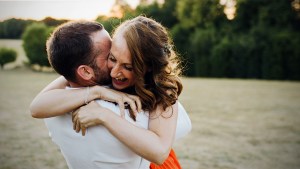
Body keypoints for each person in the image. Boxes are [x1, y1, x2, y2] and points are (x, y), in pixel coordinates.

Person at [30, 16, 191, 169]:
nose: (114, 72)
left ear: (147, 67)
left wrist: (103, 115)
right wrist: (97, 92)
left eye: (128, 67)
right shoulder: (95, 82)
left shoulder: (161, 90)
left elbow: (159, 152)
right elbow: (36, 107)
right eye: (111, 58)